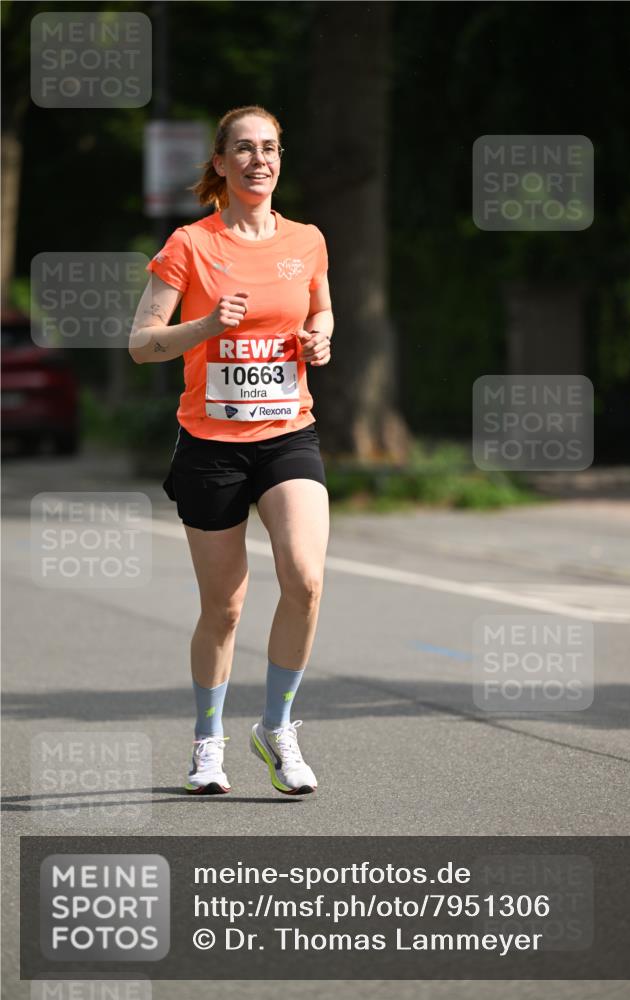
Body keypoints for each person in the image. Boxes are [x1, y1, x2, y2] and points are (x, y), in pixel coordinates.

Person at [128, 105, 333, 796]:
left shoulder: (306, 240)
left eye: (269, 148)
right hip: (211, 446)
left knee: (304, 578)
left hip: (286, 434)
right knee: (225, 608)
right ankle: (207, 741)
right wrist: (208, 324)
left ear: (280, 159)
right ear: (219, 163)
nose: (258, 160)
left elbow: (320, 308)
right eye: (243, 149)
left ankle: (276, 728)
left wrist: (319, 337)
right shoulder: (190, 245)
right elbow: (141, 343)